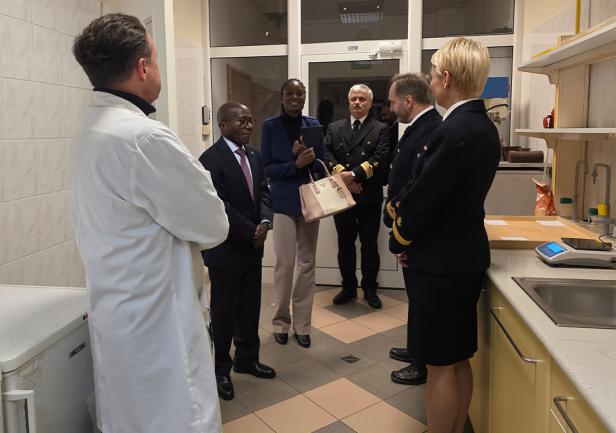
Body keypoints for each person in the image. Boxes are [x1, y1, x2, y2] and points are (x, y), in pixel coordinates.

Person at [70, 14, 229, 433]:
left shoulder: (89, 128)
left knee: (129, 418)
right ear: (143, 67)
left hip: (119, 315)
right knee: (176, 417)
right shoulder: (144, 138)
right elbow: (214, 226)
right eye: (156, 58)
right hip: (161, 326)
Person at [387, 38, 500, 433]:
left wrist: (400, 240)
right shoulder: (482, 126)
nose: (430, 80)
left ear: (446, 78)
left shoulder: (453, 131)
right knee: (458, 357)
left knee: (438, 366)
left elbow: (423, 201)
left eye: (433, 73)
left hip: (439, 264)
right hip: (463, 256)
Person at [199, 102, 275, 401]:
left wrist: (265, 222)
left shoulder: (254, 156)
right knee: (224, 311)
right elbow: (218, 204)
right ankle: (221, 369)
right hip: (226, 248)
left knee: (250, 305)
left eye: (251, 120)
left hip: (253, 247)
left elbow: (265, 191)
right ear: (222, 125)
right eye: (241, 121)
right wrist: (250, 229)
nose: (249, 125)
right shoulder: (210, 159)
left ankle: (247, 358)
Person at [383, 73, 442, 386]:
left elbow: (417, 185)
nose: (391, 108)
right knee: (415, 297)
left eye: (393, 102)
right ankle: (416, 348)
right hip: (406, 222)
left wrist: (397, 220)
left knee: (422, 299)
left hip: (415, 229)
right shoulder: (419, 127)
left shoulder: (431, 129)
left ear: (408, 100)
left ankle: (421, 363)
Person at [261, 78, 325, 349]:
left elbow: (321, 163)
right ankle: (280, 323)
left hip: (309, 202)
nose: (295, 98)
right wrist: (295, 163)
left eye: (300, 93)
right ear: (282, 96)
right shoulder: (270, 126)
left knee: (307, 264)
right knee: (285, 264)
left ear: (305, 96)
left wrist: (310, 160)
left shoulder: (313, 125)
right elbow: (267, 169)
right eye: (290, 93)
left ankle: (302, 325)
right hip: (283, 203)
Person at [324, 84, 390, 309]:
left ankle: (370, 289)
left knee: (369, 245)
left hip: (368, 196)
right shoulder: (334, 127)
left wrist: (353, 175)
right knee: (345, 244)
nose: (357, 102)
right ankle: (348, 288)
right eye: (354, 98)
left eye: (362, 99)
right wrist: (346, 179)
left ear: (370, 103)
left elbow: (380, 158)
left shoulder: (381, 128)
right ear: (349, 101)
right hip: (342, 195)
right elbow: (326, 154)